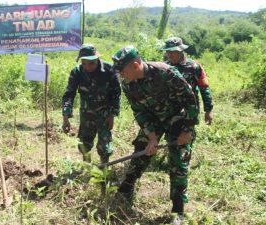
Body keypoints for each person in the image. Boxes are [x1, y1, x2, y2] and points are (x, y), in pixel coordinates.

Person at [112, 46, 199, 224]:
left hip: (178, 117)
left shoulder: (165, 72)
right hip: (154, 119)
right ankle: (128, 186)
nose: (120, 74)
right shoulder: (127, 83)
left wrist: (187, 130)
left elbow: (190, 99)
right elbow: (139, 112)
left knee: (178, 160)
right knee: (142, 148)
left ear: (136, 65)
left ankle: (178, 210)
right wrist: (151, 138)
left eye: (122, 70)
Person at [62, 44, 121, 164]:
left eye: (91, 63)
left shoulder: (109, 70)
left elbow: (116, 94)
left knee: (105, 145)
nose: (87, 67)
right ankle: (87, 167)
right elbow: (69, 93)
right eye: (84, 63)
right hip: (86, 114)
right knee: (84, 143)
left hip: (104, 114)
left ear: (97, 59)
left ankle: (104, 169)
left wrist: (112, 115)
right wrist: (65, 116)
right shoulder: (77, 72)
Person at [160, 37, 213, 125]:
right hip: (169, 110)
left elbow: (204, 88)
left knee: (186, 136)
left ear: (181, 51)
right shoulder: (164, 66)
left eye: (173, 51)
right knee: (171, 137)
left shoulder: (194, 67)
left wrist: (208, 110)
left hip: (189, 109)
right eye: (167, 51)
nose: (169, 55)